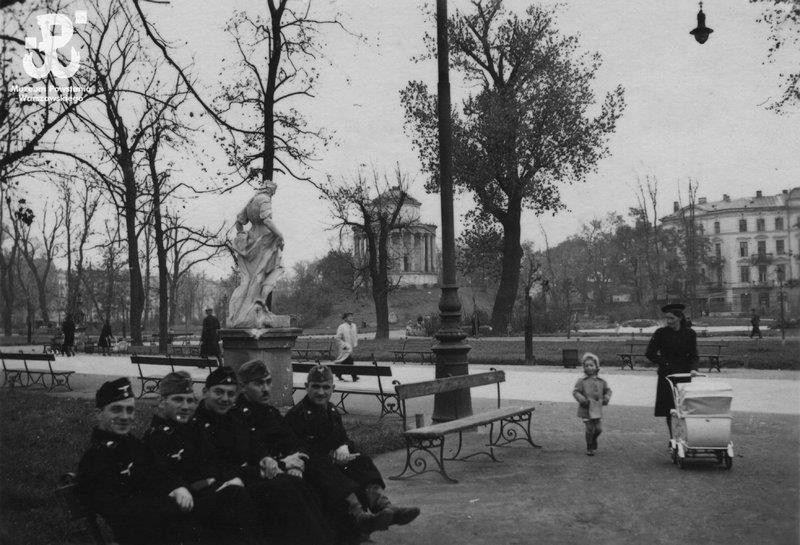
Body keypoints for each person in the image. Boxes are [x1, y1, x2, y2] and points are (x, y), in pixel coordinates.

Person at [190, 366, 333, 545]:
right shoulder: (197, 426)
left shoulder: (232, 417)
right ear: (205, 392)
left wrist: (265, 458)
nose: (225, 399)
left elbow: (253, 444)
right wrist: (275, 467)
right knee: (283, 489)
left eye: (230, 394)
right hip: (226, 487)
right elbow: (219, 466)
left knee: (295, 484)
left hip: (247, 476)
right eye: (219, 392)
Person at [285, 364, 420, 542]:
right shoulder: (297, 415)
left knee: (361, 461)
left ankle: (384, 506)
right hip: (315, 469)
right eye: (315, 387)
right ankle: (360, 517)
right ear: (306, 386)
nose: (321, 392)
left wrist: (344, 447)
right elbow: (296, 448)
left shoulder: (332, 411)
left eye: (326, 387)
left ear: (333, 388)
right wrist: (332, 458)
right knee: (328, 469)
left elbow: (343, 439)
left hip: (331, 465)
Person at [77, 378, 203, 545]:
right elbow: (121, 511)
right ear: (99, 414)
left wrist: (177, 486)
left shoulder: (130, 443)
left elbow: (159, 469)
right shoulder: (96, 459)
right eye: (116, 410)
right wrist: (169, 504)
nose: (124, 416)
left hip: (163, 524)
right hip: (141, 535)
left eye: (129, 410)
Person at [144, 372, 263, 545]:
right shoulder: (156, 438)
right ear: (162, 402)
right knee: (238, 499)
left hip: (215, 492)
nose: (186, 407)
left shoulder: (193, 428)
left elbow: (214, 459)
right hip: (189, 505)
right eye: (178, 400)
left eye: (190, 400)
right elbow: (162, 475)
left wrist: (229, 478)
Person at [227, 181, 285, 328]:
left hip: (252, 241)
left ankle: (247, 311)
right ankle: (259, 309)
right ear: (270, 190)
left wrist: (242, 235)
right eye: (273, 192)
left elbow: (239, 222)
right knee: (271, 272)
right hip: (265, 241)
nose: (273, 195)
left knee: (252, 278)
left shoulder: (252, 200)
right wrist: (280, 235)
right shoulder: (264, 199)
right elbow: (267, 220)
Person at [645, 303, 699, 442]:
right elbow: (650, 353)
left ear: (680, 318)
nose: (668, 321)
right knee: (670, 408)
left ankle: (686, 436)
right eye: (666, 318)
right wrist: (664, 363)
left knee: (684, 407)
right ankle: (674, 438)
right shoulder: (661, 333)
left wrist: (693, 368)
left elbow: (694, 354)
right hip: (667, 374)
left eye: (672, 318)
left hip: (684, 374)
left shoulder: (690, 334)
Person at [572, 353, 612, 456]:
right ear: (584, 368)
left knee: (598, 429)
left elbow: (608, 391)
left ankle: (594, 439)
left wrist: (606, 397)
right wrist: (582, 399)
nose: (589, 367)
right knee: (589, 429)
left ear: (596, 367)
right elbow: (575, 392)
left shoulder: (602, 381)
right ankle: (589, 446)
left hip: (597, 409)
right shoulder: (582, 381)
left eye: (591, 365)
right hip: (586, 409)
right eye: (586, 366)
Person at [333, 312, 358, 381]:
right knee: (350, 361)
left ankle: (338, 373)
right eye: (349, 316)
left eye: (352, 316)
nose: (351, 318)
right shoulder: (341, 327)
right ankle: (354, 376)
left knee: (345, 362)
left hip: (351, 347)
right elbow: (338, 338)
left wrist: (355, 343)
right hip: (344, 348)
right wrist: (343, 345)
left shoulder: (354, 326)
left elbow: (355, 335)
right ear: (345, 319)